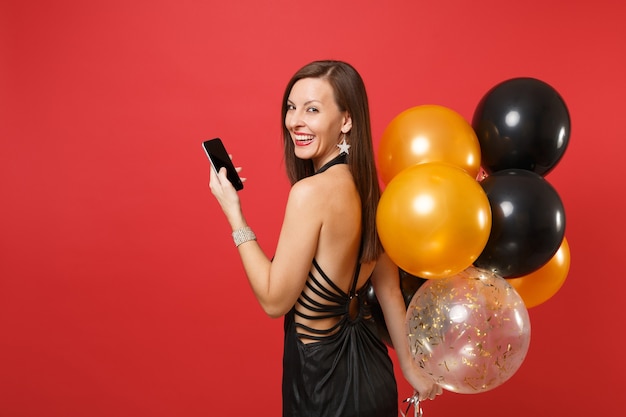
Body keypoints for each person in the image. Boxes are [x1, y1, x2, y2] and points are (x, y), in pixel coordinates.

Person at [209, 60, 441, 417]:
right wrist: (410, 368)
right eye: (291, 107)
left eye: (312, 110)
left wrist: (233, 212)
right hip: (372, 371)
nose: (295, 121)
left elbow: (274, 301)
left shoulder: (310, 193)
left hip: (321, 381)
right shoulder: (373, 194)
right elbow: (389, 289)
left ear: (346, 121)